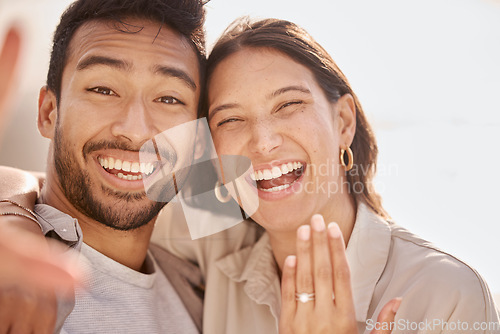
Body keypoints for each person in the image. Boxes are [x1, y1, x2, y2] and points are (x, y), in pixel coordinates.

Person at [151, 17, 500, 333]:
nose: (263, 142)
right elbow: (130, 200)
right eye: (229, 120)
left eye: (288, 105)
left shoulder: (447, 295)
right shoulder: (218, 240)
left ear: (343, 122)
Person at [0, 0, 209, 333]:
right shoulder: (10, 276)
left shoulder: (204, 287)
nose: (135, 129)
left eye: (169, 99)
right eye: (103, 89)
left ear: (198, 141)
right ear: (48, 112)